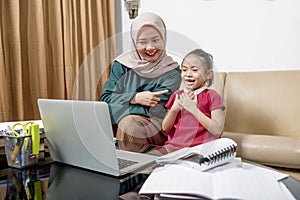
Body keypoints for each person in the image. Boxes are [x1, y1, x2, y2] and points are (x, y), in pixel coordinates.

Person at [100, 13, 181, 152]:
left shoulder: (172, 71)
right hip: (120, 124)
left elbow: (156, 110)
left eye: (156, 40)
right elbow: (105, 99)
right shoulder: (122, 65)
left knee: (130, 125)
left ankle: (132, 172)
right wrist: (135, 98)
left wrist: (118, 103)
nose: (150, 47)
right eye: (142, 42)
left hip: (157, 125)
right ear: (134, 42)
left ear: (164, 39)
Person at [149, 49, 225, 155]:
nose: (188, 74)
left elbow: (217, 131)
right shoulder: (177, 95)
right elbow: (165, 127)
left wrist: (193, 109)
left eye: (194, 70)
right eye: (184, 70)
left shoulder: (212, 96)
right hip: (175, 147)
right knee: (149, 159)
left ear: (208, 74)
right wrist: (174, 110)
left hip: (200, 149)